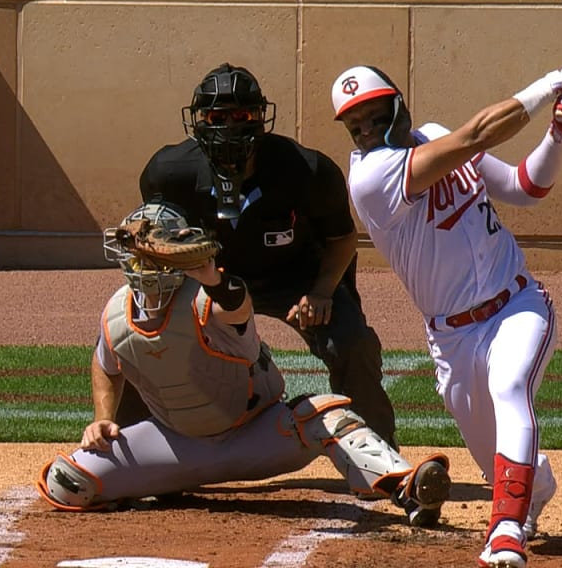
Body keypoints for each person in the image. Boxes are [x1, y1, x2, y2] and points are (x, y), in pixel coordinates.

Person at [327, 61, 562, 568]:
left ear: (396, 103)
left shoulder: (431, 135)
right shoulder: (371, 177)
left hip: (518, 305)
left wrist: (557, 135)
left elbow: (525, 187)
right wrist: (551, 84)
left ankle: (505, 530)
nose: (363, 129)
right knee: (498, 460)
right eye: (353, 123)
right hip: (451, 341)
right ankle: (532, 487)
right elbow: (477, 132)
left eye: (370, 114)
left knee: (510, 388)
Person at [36, 200, 451, 527]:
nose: (146, 261)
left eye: (156, 249)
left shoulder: (209, 301)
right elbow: (106, 363)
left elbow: (237, 306)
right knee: (66, 481)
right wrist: (102, 418)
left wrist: (212, 278)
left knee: (327, 415)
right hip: (174, 445)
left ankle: (407, 487)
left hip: (256, 435)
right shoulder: (114, 312)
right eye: (141, 251)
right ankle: (153, 485)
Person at [129, 63, 397, 451]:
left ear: (260, 118)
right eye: (218, 117)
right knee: (145, 334)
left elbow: (341, 237)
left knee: (350, 342)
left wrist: (322, 292)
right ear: (199, 121)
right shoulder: (168, 173)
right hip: (209, 280)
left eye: (241, 116)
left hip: (295, 278)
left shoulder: (307, 169)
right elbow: (154, 235)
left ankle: (379, 450)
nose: (229, 127)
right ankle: (129, 447)